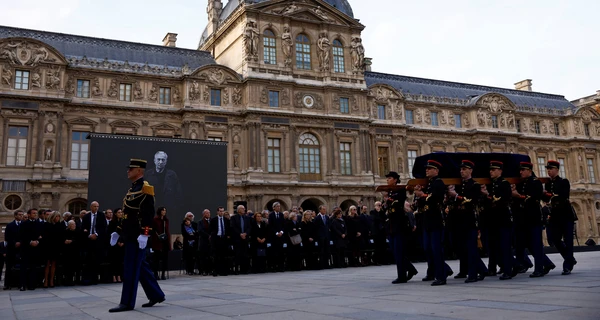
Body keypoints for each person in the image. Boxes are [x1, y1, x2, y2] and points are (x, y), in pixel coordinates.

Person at [109, 159, 165, 313]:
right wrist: (118, 231)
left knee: (131, 269)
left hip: (137, 237)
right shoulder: (132, 189)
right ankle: (156, 295)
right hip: (129, 234)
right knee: (140, 267)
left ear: (139, 171)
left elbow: (148, 214)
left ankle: (126, 302)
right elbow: (128, 214)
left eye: (131, 169)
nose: (128, 171)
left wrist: (145, 234)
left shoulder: (145, 189)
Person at [447, 160, 488, 283]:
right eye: (461, 169)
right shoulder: (459, 185)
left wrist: (455, 196)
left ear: (470, 170)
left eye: (464, 169)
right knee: (462, 247)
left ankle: (473, 274)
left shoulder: (474, 185)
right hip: (458, 220)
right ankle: (482, 269)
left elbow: (471, 201)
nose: (462, 171)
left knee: (471, 248)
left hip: (469, 219)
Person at [512, 161, 555, 278]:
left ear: (529, 171)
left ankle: (539, 269)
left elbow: (532, 198)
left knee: (536, 244)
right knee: (525, 244)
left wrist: (518, 195)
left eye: (523, 170)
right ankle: (545, 264)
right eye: (520, 170)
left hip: (534, 217)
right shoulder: (523, 183)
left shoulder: (535, 183)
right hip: (524, 218)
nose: (520, 172)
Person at [414, 160, 452, 286]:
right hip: (427, 220)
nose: (427, 170)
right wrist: (419, 196)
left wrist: (422, 195)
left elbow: (435, 198)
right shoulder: (429, 184)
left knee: (436, 249)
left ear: (436, 170)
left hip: (435, 219)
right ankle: (443, 270)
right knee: (428, 248)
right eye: (427, 168)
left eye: (430, 168)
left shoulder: (438, 183)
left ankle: (441, 276)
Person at [542, 160, 577, 275]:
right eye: (547, 169)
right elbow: (546, 198)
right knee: (555, 239)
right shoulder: (547, 183)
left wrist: (549, 196)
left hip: (565, 215)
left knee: (568, 240)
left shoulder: (564, 182)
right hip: (555, 216)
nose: (549, 171)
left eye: (551, 169)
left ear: (557, 170)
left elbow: (563, 196)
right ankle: (569, 258)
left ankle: (567, 266)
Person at [481, 160, 515, 280]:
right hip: (493, 220)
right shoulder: (492, 184)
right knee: (493, 245)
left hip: (503, 219)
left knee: (504, 246)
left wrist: (487, 195)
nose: (491, 172)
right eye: (490, 170)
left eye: (493, 170)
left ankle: (508, 270)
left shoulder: (504, 184)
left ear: (500, 171)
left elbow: (502, 201)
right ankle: (495, 268)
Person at [384, 171, 417, 284]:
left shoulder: (400, 190)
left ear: (395, 179)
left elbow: (397, 203)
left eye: (389, 178)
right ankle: (411, 269)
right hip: (391, 225)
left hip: (399, 224)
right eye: (387, 178)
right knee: (395, 250)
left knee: (399, 251)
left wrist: (388, 201)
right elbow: (386, 207)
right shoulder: (390, 192)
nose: (387, 180)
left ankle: (402, 276)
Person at [145, 151, 184, 219]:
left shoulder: (172, 175)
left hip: (169, 210)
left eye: (163, 160)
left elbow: (178, 193)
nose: (160, 162)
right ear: (154, 160)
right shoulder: (148, 175)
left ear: (166, 161)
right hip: (152, 209)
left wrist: (175, 207)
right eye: (158, 159)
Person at [81, 201, 107, 285]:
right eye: (95, 206)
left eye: (97, 206)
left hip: (98, 240)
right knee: (89, 260)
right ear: (91, 207)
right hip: (88, 241)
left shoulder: (101, 215)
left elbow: (103, 227)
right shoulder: (86, 216)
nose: (96, 208)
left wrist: (96, 234)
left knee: (96, 260)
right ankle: (87, 279)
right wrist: (89, 235)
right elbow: (83, 228)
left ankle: (95, 279)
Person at [3, 210, 24, 290]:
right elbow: (7, 237)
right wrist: (14, 243)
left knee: (21, 268)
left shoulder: (24, 225)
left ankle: (20, 284)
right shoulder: (9, 225)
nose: (21, 216)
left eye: (22, 215)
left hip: (21, 249)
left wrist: (21, 242)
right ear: (15, 216)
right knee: (9, 268)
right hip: (11, 249)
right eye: (19, 215)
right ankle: (7, 284)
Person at [42, 211, 62, 288]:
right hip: (48, 246)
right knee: (47, 264)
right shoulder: (46, 225)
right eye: (56, 216)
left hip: (56, 247)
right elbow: (44, 236)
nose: (57, 218)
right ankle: (46, 280)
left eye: (58, 217)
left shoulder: (59, 225)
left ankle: (51, 280)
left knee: (54, 264)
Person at [151, 207, 171, 280]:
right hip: (157, 240)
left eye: (165, 210)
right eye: (163, 210)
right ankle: (155, 274)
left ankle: (163, 274)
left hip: (165, 241)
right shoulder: (155, 220)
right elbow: (153, 230)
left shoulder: (166, 220)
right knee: (156, 259)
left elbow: (167, 230)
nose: (164, 212)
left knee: (165, 259)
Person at [230, 205, 251, 274]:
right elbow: (233, 227)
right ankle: (236, 269)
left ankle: (244, 269)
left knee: (245, 254)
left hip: (245, 238)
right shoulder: (233, 218)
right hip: (237, 239)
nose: (244, 210)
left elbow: (249, 227)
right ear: (238, 210)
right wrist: (240, 234)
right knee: (237, 254)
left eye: (244, 208)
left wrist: (245, 233)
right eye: (242, 209)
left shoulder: (247, 218)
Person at [210, 206, 230, 276]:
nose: (222, 212)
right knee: (216, 256)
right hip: (216, 239)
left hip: (223, 239)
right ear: (217, 212)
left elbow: (228, 229)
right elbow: (211, 230)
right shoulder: (213, 220)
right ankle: (215, 270)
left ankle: (223, 271)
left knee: (223, 255)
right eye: (220, 211)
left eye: (222, 211)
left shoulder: (226, 220)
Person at [107, 208, 125, 283]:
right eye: (119, 212)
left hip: (122, 244)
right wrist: (117, 241)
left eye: (121, 212)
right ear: (115, 213)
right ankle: (114, 276)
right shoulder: (112, 222)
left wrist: (122, 241)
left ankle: (119, 276)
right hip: (114, 244)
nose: (120, 214)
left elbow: (124, 233)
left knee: (121, 261)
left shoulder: (123, 222)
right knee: (114, 261)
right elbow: (111, 233)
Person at [268, 202, 286, 272]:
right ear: (274, 207)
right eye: (277, 206)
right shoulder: (271, 215)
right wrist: (276, 233)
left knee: (281, 252)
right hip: (274, 237)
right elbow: (270, 226)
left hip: (281, 236)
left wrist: (281, 232)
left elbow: (284, 225)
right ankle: (274, 266)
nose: (279, 207)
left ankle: (281, 267)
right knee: (274, 252)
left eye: (279, 206)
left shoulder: (281, 215)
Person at [314, 205, 331, 269]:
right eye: (323, 209)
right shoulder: (317, 218)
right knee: (321, 251)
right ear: (320, 210)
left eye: (325, 209)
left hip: (326, 236)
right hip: (320, 237)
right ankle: (321, 264)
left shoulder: (327, 217)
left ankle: (327, 264)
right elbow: (315, 228)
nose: (324, 210)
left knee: (327, 250)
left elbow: (328, 226)